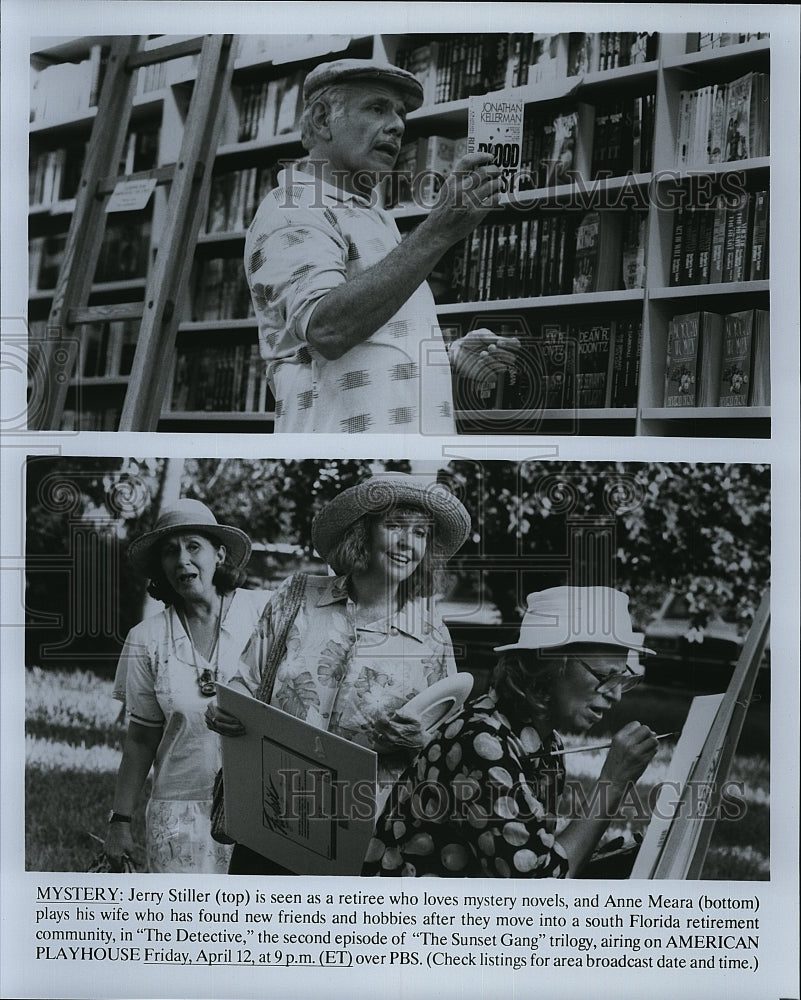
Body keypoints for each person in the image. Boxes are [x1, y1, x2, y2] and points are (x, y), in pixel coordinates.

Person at [205, 473, 472, 873]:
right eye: (395, 527)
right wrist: (222, 711)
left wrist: (422, 742)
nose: (408, 543)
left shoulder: (432, 637)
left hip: (365, 839)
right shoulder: (299, 596)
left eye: (420, 533)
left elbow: (447, 745)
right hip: (271, 821)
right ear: (363, 533)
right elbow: (244, 685)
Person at [244, 57, 521, 434]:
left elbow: (374, 344)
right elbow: (327, 329)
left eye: (400, 113)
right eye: (377, 108)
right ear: (322, 120)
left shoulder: (375, 215)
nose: (397, 125)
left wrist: (447, 359)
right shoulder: (291, 207)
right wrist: (437, 231)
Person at [362, 585, 659, 878]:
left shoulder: (543, 743)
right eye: (605, 676)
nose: (616, 695)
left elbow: (539, 858)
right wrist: (613, 782)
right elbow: (535, 894)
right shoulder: (480, 743)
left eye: (623, 679)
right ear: (551, 664)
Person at [104, 499, 272, 873]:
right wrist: (120, 820)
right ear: (161, 568)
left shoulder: (264, 611)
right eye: (170, 551)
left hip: (263, 806)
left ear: (220, 555)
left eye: (194, 546)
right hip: (178, 816)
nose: (182, 559)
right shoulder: (146, 638)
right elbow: (141, 738)